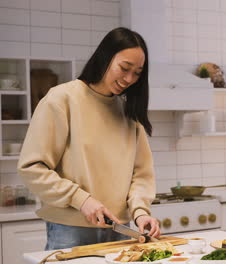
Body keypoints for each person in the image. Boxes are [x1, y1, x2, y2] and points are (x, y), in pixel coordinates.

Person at [18, 27, 160, 250]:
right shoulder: (61, 99)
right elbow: (32, 167)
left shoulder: (128, 113)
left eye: (137, 73)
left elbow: (141, 174)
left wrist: (140, 213)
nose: (129, 78)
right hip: (71, 230)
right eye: (124, 68)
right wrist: (81, 200)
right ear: (105, 57)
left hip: (121, 229)